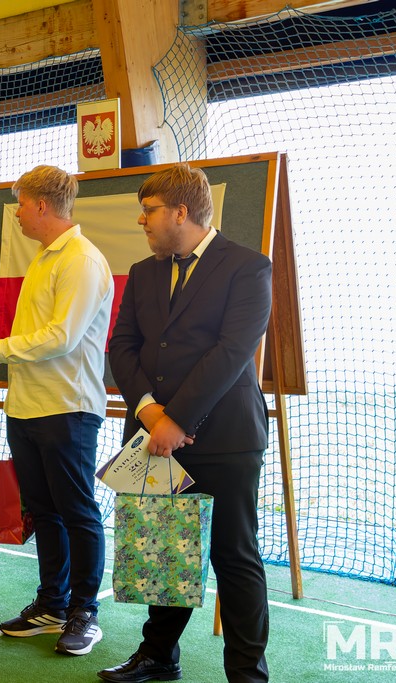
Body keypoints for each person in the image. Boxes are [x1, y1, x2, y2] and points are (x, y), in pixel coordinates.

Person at [101, 163, 272, 683]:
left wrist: (177, 418)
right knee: (165, 548)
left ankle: (247, 673)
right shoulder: (144, 271)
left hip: (226, 439)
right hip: (156, 437)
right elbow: (122, 346)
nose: (141, 220)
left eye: (149, 211)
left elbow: (232, 352)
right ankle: (159, 655)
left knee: (234, 557)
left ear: (181, 211)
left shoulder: (248, 267)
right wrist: (149, 411)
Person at [0, 165, 113, 656]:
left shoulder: (82, 260)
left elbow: (61, 337)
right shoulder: (45, 257)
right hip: (26, 407)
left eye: (22, 204)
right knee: (44, 511)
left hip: (67, 407)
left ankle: (85, 612)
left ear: (42, 205)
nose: (18, 213)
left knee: (78, 511)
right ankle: (52, 604)